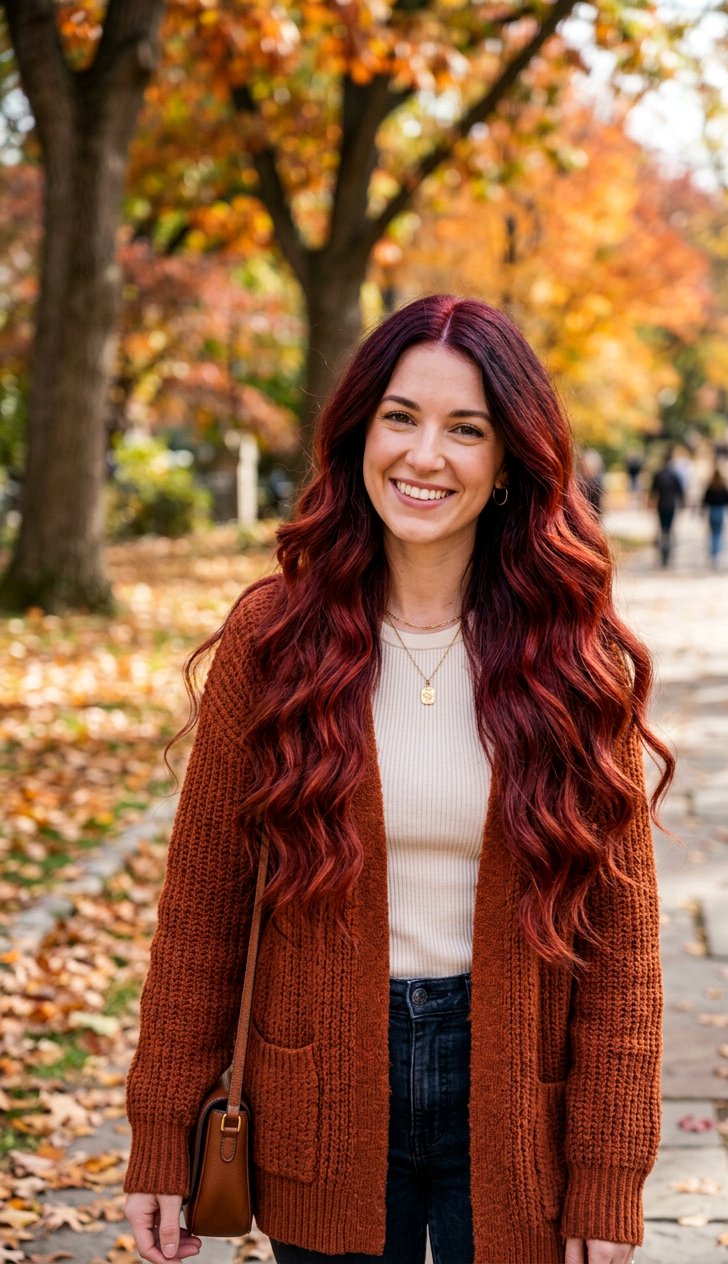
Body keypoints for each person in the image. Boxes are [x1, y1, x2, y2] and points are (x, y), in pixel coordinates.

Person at [122, 296, 674, 1264]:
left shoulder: (571, 657)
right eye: (400, 416)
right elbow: (202, 904)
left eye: (465, 429)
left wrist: (605, 1172)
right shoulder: (274, 638)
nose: (425, 456)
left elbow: (619, 944)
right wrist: (162, 1132)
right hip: (319, 1089)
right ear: (357, 432)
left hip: (511, 1103)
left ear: (509, 461)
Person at [647, 447, 685, 567]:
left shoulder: (658, 474)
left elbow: (653, 491)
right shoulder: (674, 474)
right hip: (671, 505)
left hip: (661, 505)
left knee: (662, 529)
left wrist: (649, 503)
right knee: (669, 529)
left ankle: (662, 553)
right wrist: (683, 503)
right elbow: (680, 492)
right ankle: (668, 553)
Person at [701, 465, 728, 569]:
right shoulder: (722, 486)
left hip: (712, 511)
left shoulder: (710, 486)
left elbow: (704, 500)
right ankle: (717, 553)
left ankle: (713, 553)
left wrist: (701, 512)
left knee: (713, 533)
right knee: (718, 533)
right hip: (720, 511)